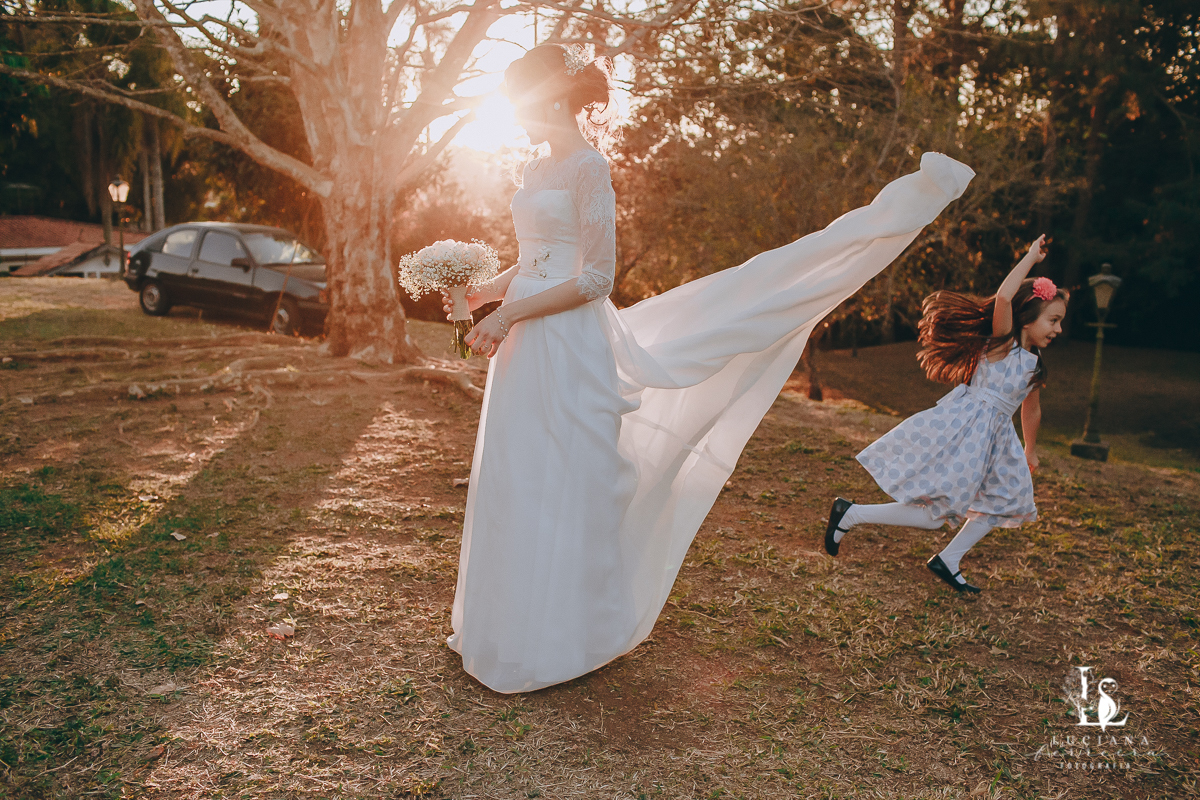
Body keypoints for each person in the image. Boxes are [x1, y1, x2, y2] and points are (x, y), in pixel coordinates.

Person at [446, 43, 976, 693]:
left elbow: (596, 277)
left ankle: (560, 637)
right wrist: (486, 290)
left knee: (564, 478)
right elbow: (536, 257)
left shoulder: (588, 166)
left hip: (564, 342)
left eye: (518, 100)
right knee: (518, 473)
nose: (513, 114)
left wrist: (509, 314)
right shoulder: (535, 166)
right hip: (524, 340)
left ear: (551, 95)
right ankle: (502, 628)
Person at [823, 236, 1068, 594]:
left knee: (1007, 496)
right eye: (1054, 320)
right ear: (1027, 317)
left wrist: (1030, 448)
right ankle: (851, 513)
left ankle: (949, 559)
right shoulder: (1002, 343)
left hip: (997, 439)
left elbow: (1032, 408)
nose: (1058, 329)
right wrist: (1030, 258)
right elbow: (1003, 298)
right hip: (966, 432)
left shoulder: (1036, 364)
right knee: (934, 515)